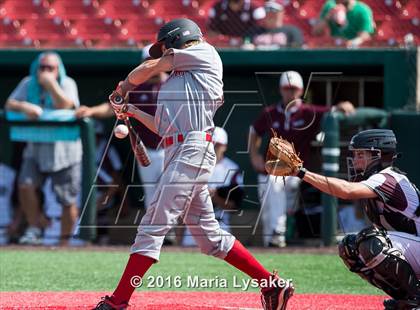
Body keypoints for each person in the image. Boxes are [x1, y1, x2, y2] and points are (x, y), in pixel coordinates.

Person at [94, 18, 294, 310]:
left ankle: (118, 301)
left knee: (153, 224)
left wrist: (123, 87)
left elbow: (150, 68)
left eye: (164, 46)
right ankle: (272, 285)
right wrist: (132, 110)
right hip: (177, 149)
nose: (161, 53)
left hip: (194, 145)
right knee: (208, 236)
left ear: (178, 38)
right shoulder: (173, 82)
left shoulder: (204, 51)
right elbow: (162, 127)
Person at [287, 129, 420, 309]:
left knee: (371, 241)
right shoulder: (378, 179)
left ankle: (414, 300)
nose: (355, 160)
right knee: (349, 246)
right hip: (413, 248)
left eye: (360, 155)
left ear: (378, 155)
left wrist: (301, 172)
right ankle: (405, 298)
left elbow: (346, 191)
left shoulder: (387, 178)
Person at [249, 70, 355, 247]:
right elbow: (254, 131)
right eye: (286, 88)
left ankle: (278, 234)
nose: (290, 92)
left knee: (275, 185)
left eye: (294, 89)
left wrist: (344, 105)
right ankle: (274, 242)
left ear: (301, 90)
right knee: (269, 202)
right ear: (281, 90)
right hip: (272, 171)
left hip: (296, 173)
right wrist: (254, 155)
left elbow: (335, 111)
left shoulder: (308, 112)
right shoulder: (271, 112)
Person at [76, 45, 166, 212]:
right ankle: (159, 236)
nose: (151, 64)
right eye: (147, 61)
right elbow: (113, 106)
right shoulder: (135, 87)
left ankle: (177, 234)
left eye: (156, 60)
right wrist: (91, 111)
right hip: (147, 150)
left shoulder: (173, 84)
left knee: (172, 191)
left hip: (172, 147)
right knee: (152, 193)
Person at [5, 51, 81, 246]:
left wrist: (50, 84)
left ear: (58, 70)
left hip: (65, 151)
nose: (45, 71)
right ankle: (35, 228)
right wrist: (24, 107)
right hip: (36, 148)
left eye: (51, 68)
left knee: (67, 200)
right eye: (42, 67)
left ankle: (64, 243)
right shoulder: (27, 83)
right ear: (36, 69)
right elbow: (9, 104)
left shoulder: (67, 83)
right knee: (25, 185)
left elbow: (66, 105)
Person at [181, 126, 244, 246]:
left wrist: (214, 195)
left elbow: (234, 206)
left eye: (216, 145)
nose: (211, 148)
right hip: (193, 224)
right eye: (209, 144)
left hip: (220, 223)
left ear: (224, 146)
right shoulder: (193, 165)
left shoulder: (232, 169)